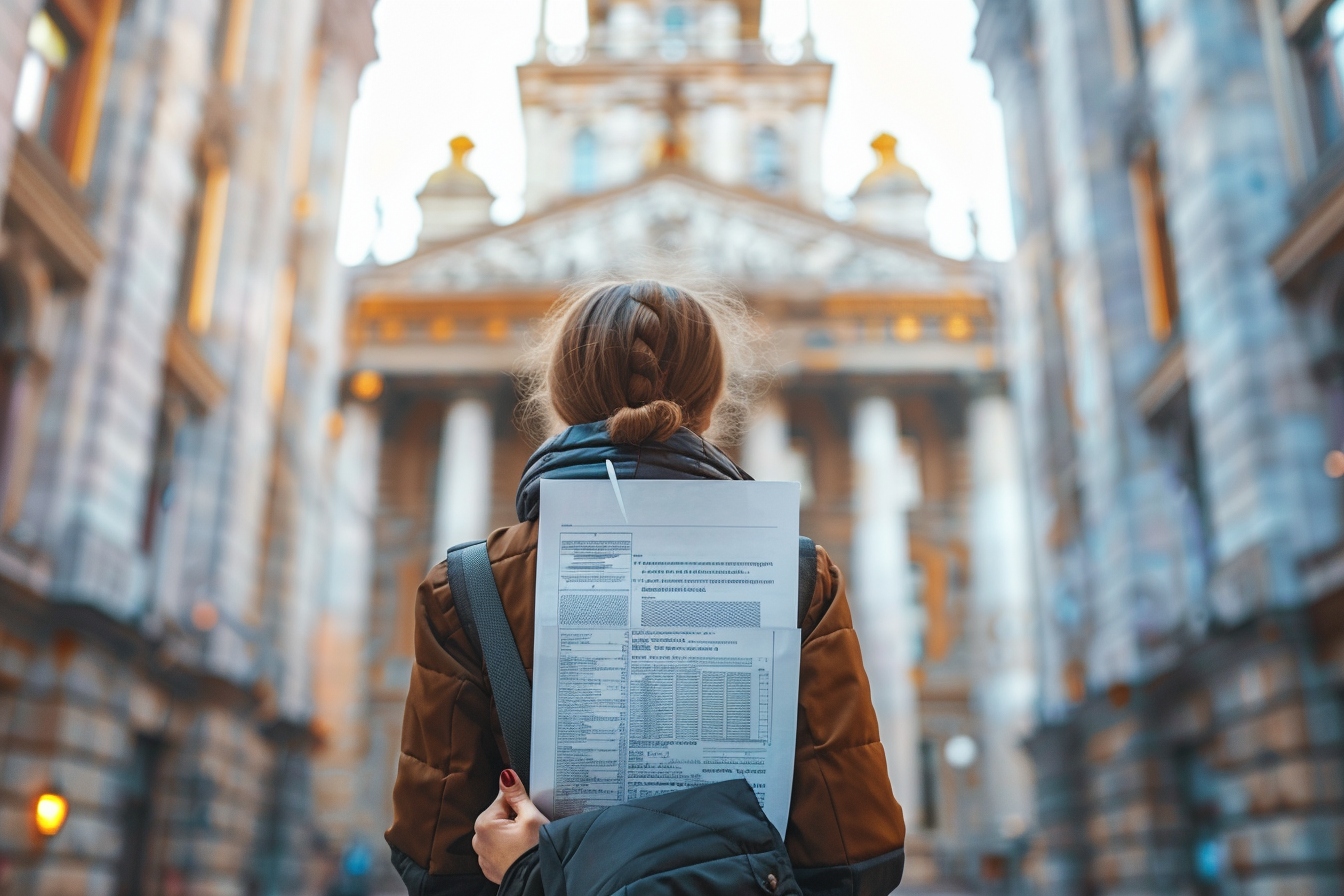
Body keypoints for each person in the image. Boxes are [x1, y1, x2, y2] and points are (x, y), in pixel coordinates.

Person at [387, 279, 906, 895]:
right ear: (710, 403)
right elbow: (857, 855)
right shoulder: (801, 576)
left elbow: (434, 860)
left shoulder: (466, 585)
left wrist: (539, 869)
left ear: (562, 395)